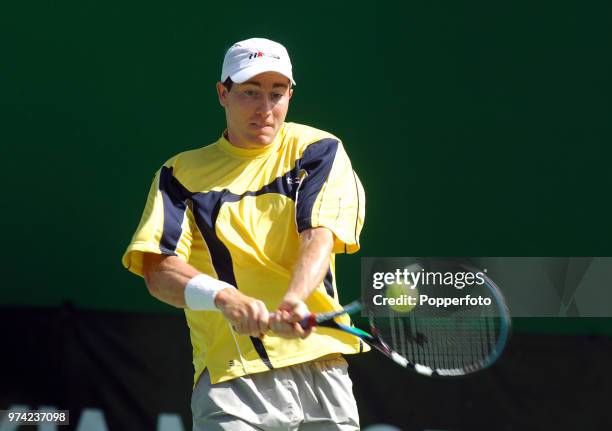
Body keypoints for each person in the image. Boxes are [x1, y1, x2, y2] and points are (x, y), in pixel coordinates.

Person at [121, 37, 367, 430]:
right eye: (250, 93)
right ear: (223, 93)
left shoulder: (319, 150)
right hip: (232, 377)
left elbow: (319, 235)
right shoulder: (180, 174)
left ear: (290, 94)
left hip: (320, 369)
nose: (265, 108)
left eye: (277, 93)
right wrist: (224, 297)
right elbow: (158, 270)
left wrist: (293, 300)